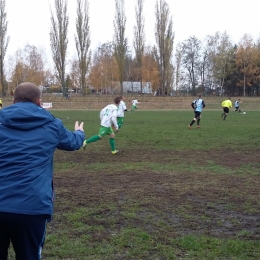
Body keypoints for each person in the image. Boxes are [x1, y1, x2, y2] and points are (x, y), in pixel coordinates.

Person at [0, 82, 85, 260]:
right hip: (32, 208)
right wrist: (80, 132)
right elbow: (73, 143)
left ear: (13, 100)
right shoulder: (53, 125)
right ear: (39, 102)